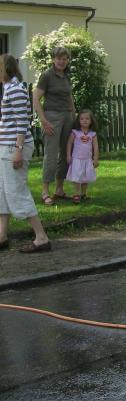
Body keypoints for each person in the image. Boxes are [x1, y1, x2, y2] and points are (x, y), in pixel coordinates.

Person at [0, 54, 52, 253]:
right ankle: (2, 236)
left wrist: (18, 150)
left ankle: (41, 237)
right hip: (7, 147)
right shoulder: (8, 88)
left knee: (16, 191)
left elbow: (22, 122)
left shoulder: (15, 89)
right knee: (3, 191)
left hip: (14, 148)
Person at [32, 46, 76, 206]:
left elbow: (70, 97)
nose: (62, 61)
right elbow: (35, 98)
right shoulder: (46, 76)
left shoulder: (66, 76)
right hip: (52, 117)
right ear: (53, 59)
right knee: (51, 154)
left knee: (66, 153)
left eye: (65, 59)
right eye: (59, 58)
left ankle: (59, 189)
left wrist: (74, 116)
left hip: (67, 117)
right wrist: (43, 120)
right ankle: (45, 191)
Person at [65, 109, 100, 203]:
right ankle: (76, 194)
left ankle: (83, 194)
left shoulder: (93, 134)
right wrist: (68, 155)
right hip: (76, 159)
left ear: (91, 120)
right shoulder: (75, 132)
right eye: (82, 119)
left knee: (85, 177)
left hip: (87, 160)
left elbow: (96, 147)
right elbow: (69, 143)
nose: (84, 120)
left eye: (87, 119)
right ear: (78, 120)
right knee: (77, 177)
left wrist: (95, 159)